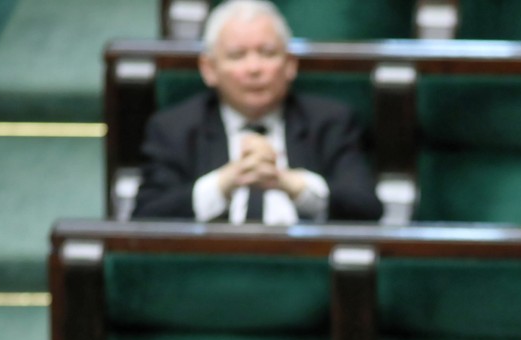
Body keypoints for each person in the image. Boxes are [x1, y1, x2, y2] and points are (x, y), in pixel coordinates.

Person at [132, 0, 382, 223]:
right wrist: (224, 183)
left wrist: (291, 184)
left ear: (290, 64)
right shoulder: (175, 128)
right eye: (237, 55)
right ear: (209, 69)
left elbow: (368, 209)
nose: (254, 68)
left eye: (267, 53)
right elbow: (145, 216)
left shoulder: (330, 122)